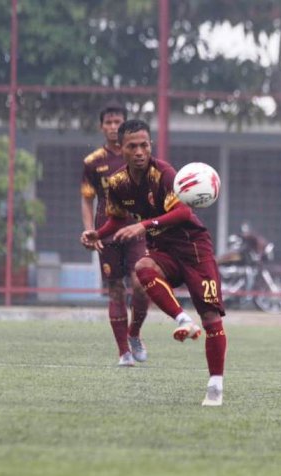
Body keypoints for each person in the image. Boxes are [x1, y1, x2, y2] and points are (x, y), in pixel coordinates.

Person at [81, 119, 228, 406]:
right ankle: (182, 319)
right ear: (120, 149)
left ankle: (215, 386)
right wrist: (97, 233)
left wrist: (144, 226)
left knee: (211, 318)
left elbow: (184, 213)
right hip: (163, 249)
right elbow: (118, 218)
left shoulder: (163, 173)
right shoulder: (118, 183)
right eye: (132, 146)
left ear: (151, 146)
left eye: (144, 145)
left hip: (195, 249)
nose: (139, 151)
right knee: (142, 269)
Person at [80, 102, 149, 367]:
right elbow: (87, 199)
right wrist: (90, 230)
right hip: (107, 232)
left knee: (142, 285)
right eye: (108, 122)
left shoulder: (138, 156)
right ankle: (124, 352)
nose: (112, 127)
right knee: (116, 290)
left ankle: (135, 334)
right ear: (101, 127)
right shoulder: (93, 162)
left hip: (136, 229)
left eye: (117, 122)